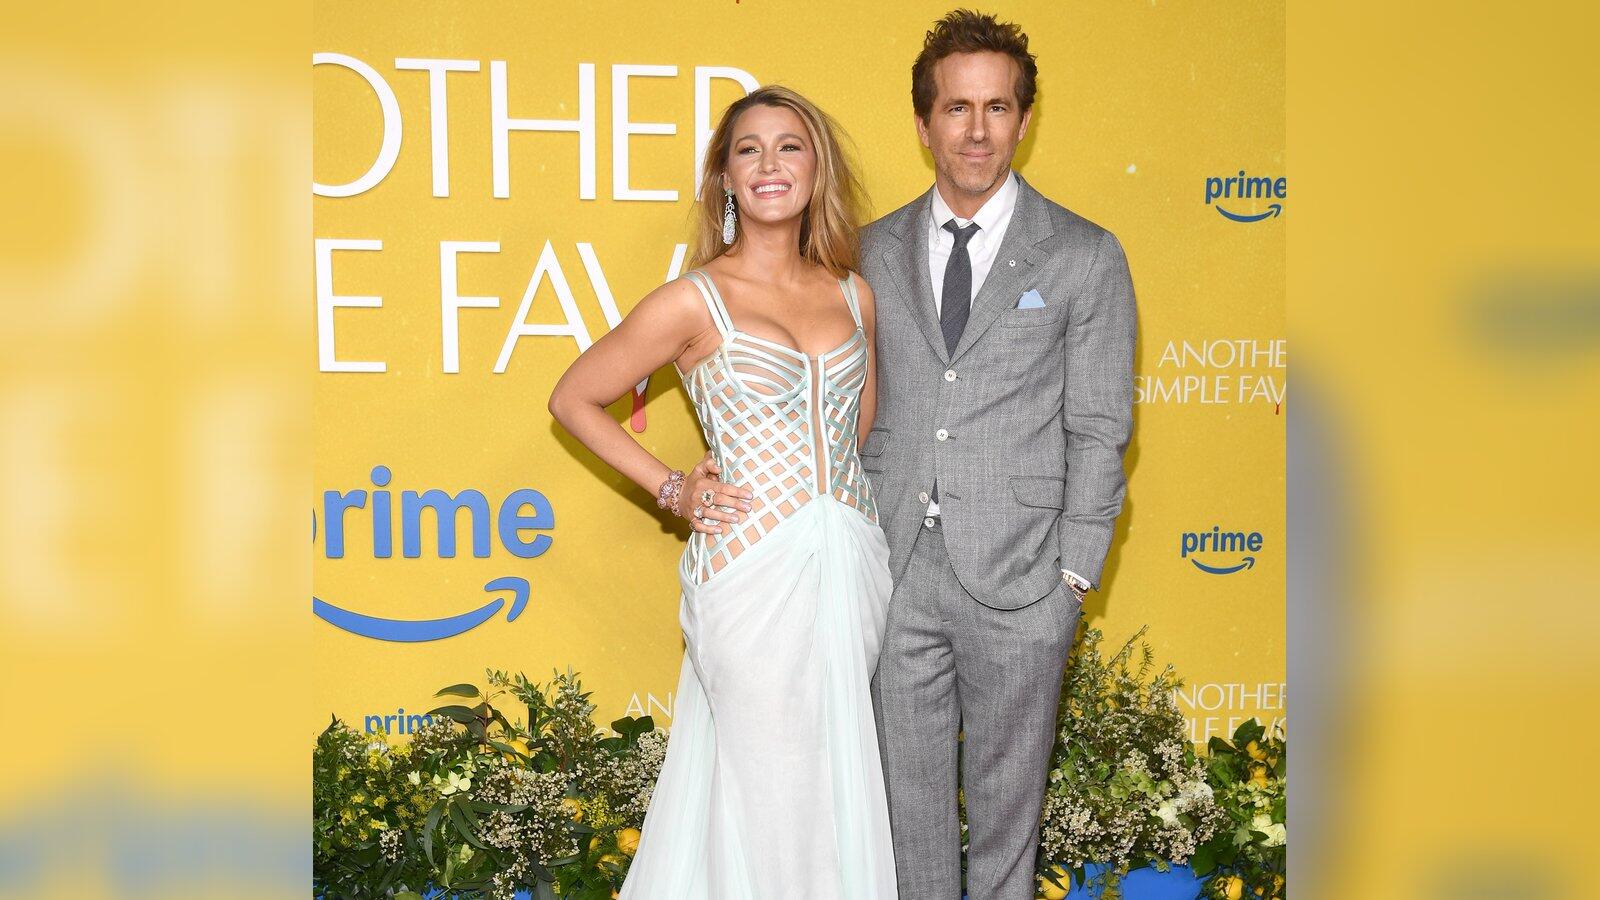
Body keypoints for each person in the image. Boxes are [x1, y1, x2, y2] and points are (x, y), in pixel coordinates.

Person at [547, 85, 898, 898]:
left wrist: (831, 521)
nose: (770, 164)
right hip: (747, 574)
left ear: (817, 169)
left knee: (832, 787)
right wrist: (672, 487)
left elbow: (855, 430)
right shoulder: (692, 299)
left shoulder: (855, 294)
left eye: (789, 146)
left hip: (850, 567)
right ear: (727, 178)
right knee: (767, 791)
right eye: (749, 149)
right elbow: (573, 398)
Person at [859, 10, 1138, 900]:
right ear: (923, 123)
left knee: (1008, 825)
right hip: (895, 568)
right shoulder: (867, 251)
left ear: (1024, 120)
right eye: (956, 108)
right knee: (906, 819)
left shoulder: (1085, 255)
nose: (976, 130)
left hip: (1025, 578)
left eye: (997, 107)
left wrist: (1073, 577)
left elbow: (1100, 426)